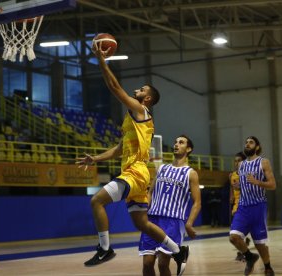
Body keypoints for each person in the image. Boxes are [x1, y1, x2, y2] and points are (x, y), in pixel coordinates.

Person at [76, 40, 189, 275]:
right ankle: (177, 250)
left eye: (141, 90)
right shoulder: (132, 120)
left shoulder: (141, 110)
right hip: (138, 175)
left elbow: (115, 88)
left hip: (135, 172)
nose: (137, 90)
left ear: (146, 99)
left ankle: (105, 248)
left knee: (96, 201)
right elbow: (118, 149)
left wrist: (102, 61)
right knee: (142, 224)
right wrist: (95, 159)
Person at [140, 135, 201, 276]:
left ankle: (180, 253)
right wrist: (144, 211)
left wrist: (189, 223)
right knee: (147, 263)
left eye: (181, 142)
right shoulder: (161, 168)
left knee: (162, 263)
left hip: (173, 221)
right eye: (175, 142)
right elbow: (150, 192)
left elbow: (197, 202)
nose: (176, 144)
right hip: (152, 219)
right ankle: (181, 252)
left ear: (189, 148)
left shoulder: (191, 174)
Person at [229, 136, 276, 276]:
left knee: (259, 243)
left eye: (251, 142)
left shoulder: (264, 162)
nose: (247, 144)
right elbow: (244, 185)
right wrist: (238, 186)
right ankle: (250, 257)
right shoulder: (241, 165)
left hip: (258, 206)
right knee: (233, 237)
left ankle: (268, 267)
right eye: (246, 142)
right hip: (243, 207)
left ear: (257, 147)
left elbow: (273, 185)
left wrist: (258, 182)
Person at [229, 151, 251, 262]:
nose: (237, 163)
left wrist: (242, 186)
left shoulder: (247, 174)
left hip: (245, 204)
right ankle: (244, 248)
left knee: (237, 232)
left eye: (239, 161)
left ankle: (242, 252)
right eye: (235, 161)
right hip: (236, 205)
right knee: (235, 232)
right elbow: (231, 187)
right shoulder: (232, 175)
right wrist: (231, 196)